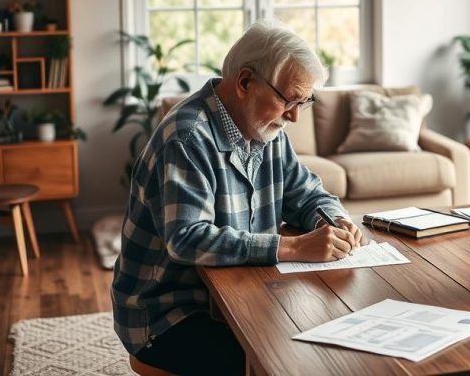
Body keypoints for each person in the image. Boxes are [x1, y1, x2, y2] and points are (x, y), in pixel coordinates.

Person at [111, 20, 365, 375]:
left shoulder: (269, 131)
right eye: (288, 99)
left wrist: (334, 221)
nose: (294, 116)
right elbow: (187, 239)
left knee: (325, 344)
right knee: (280, 363)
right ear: (245, 82)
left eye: (303, 102)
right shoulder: (187, 138)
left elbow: (305, 192)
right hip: (167, 314)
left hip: (236, 296)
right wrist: (293, 247)